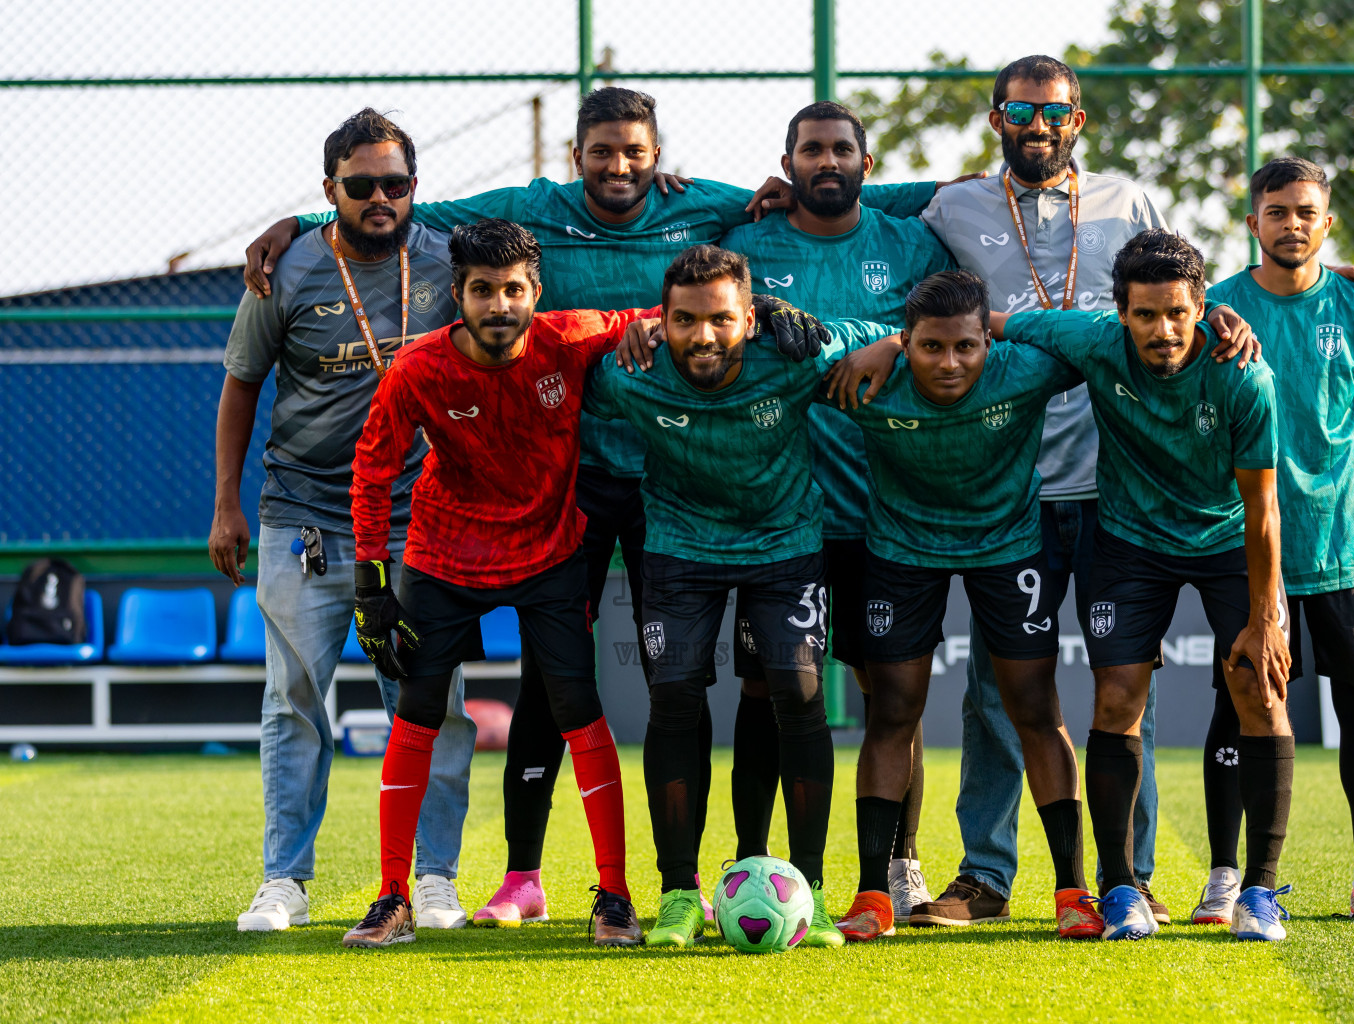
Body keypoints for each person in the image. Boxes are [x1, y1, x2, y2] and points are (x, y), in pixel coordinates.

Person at [241, 88, 950, 925]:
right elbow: (400, 204)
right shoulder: (528, 213)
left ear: (657, 157)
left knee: (682, 687)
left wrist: (950, 193)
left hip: (665, 477)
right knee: (548, 685)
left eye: (634, 153)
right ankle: (519, 876)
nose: (618, 166)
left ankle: (690, 884)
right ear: (575, 157)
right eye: (602, 152)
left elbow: (842, 194)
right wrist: (295, 219)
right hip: (569, 490)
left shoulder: (707, 209)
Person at [914, 53, 1354, 928]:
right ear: (996, 121)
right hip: (1011, 486)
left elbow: (1203, 275)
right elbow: (857, 199)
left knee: (1122, 693)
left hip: (1114, 491)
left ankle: (1132, 877)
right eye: (1020, 112)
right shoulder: (952, 204)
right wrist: (757, 195)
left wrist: (1342, 275)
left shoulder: (1130, 203)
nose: (1038, 127)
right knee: (997, 687)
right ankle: (985, 877)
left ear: (1078, 122)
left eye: (1054, 113)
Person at [339, 219, 654, 948]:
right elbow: (372, 470)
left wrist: (763, 312)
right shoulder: (418, 368)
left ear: (535, 293)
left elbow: (669, 316)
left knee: (579, 706)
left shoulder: (570, 337)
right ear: (459, 295)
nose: (499, 305)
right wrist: (370, 583)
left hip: (548, 556)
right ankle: (392, 898)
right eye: (483, 291)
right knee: (418, 712)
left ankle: (615, 896)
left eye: (514, 290)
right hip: (444, 556)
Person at [210, 109, 475, 934]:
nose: (380, 198)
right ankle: (283, 880)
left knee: (433, 699)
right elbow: (242, 386)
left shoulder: (447, 260)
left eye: (395, 184)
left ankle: (433, 878)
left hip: (420, 521)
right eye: (360, 185)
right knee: (293, 699)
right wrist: (226, 504)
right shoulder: (283, 270)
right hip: (306, 517)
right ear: (331, 191)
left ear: (414, 189)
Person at [583, 244, 889, 949]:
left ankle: (804, 889)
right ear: (662, 320)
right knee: (676, 698)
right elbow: (565, 366)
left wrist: (870, 333)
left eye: (721, 319)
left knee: (799, 692)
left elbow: (881, 334)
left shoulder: (795, 355)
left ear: (750, 320)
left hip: (784, 548)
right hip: (681, 550)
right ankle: (679, 895)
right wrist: (620, 328)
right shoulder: (631, 373)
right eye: (684, 320)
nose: (703, 336)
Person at [996, 228, 1295, 942]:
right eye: (1146, 315)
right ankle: (1122, 887)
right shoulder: (1094, 340)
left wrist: (1263, 618)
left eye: (1179, 313)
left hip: (1226, 539)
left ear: (1203, 308)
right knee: (1117, 698)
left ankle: (1258, 892)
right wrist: (886, 342)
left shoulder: (1243, 375)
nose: (1163, 331)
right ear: (1120, 313)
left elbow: (1263, 509)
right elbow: (992, 321)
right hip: (1129, 542)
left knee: (1261, 688)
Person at [716, 101, 955, 920]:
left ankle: (900, 865)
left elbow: (953, 327)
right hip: (781, 514)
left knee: (892, 695)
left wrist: (891, 340)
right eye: (811, 150)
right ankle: (749, 867)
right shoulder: (749, 246)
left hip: (883, 507)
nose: (828, 161)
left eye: (841, 149)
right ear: (787, 163)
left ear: (864, 158)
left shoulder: (910, 244)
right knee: (764, 691)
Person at [819, 269, 1103, 941]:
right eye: (930, 347)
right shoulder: (867, 379)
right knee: (891, 712)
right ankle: (872, 896)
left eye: (966, 347)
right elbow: (807, 339)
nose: (950, 364)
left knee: (1036, 709)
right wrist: (879, 341)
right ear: (907, 343)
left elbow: (1095, 334)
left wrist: (1000, 324)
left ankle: (1073, 891)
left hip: (1007, 548)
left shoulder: (1025, 369)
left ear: (987, 343)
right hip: (900, 550)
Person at [1197, 157, 1354, 925]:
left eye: (1306, 212)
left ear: (1326, 223)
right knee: (1238, 709)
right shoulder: (1215, 310)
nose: (1291, 224)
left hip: (1347, 546)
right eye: (1277, 211)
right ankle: (1225, 878)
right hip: (1248, 549)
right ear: (1252, 221)